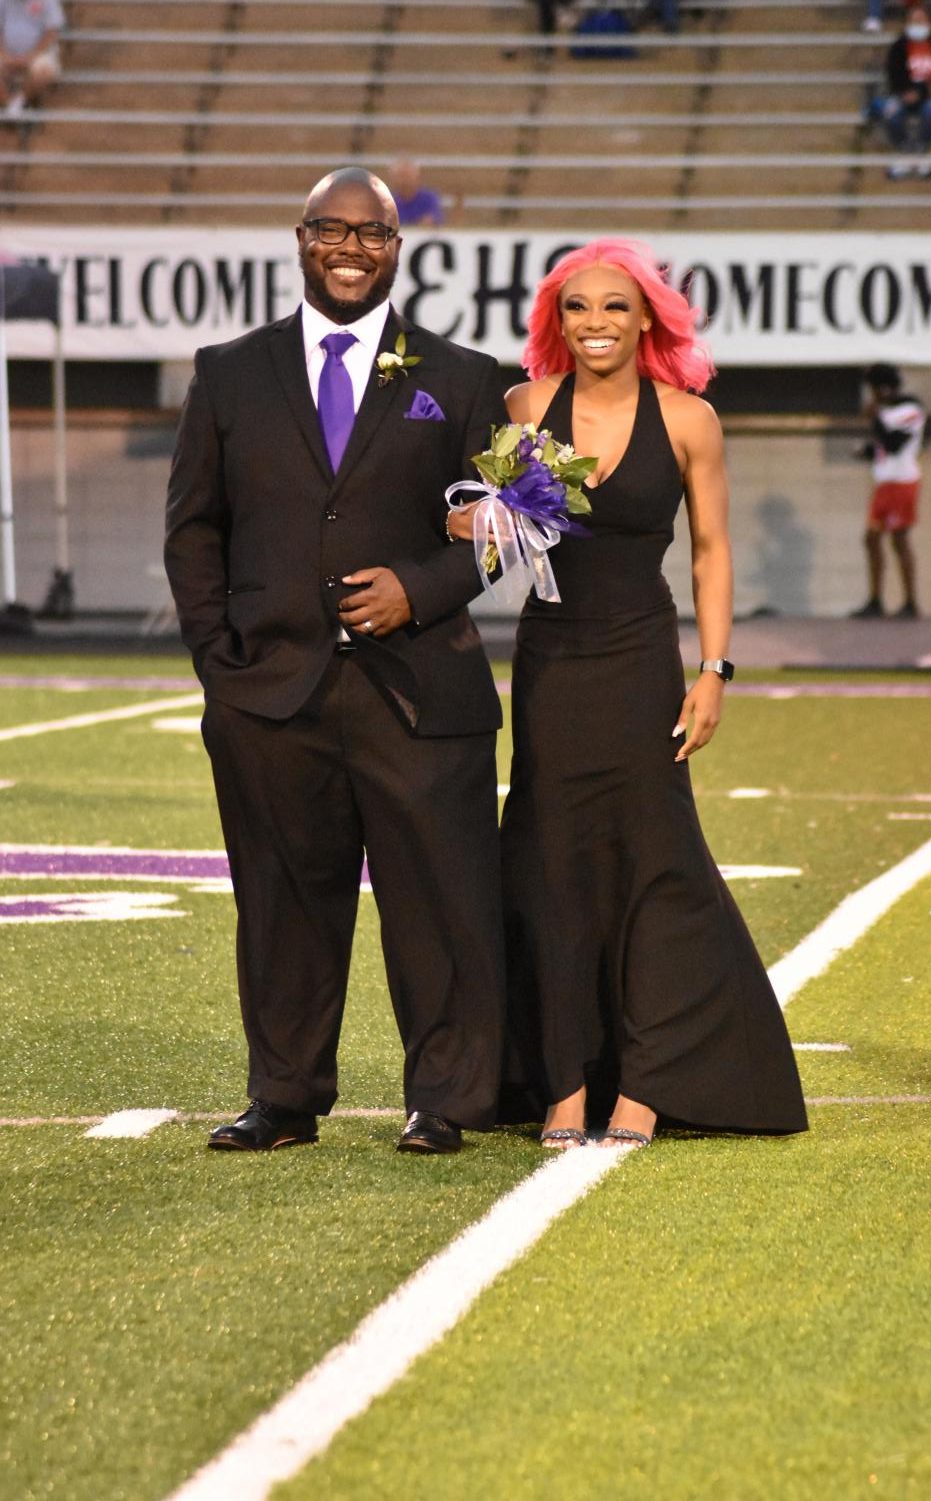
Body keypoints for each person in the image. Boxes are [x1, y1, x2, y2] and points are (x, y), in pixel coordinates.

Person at [164, 167, 507, 1156]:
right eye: (333, 230)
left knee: (438, 903)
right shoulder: (229, 370)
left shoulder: (464, 376)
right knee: (280, 902)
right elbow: (194, 529)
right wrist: (220, 666)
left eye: (374, 234)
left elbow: (502, 530)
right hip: (270, 696)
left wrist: (422, 588)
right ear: (301, 238)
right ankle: (284, 1096)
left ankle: (443, 1098)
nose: (352, 249)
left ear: (398, 250)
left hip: (420, 689)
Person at [450, 240, 808, 1149]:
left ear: (649, 316)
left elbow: (712, 551)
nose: (596, 323)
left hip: (644, 657)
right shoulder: (523, 409)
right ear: (554, 323)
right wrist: (474, 516)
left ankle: (647, 1081)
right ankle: (563, 1082)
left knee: (658, 864)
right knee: (550, 867)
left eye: (615, 306)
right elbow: (480, 535)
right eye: (577, 308)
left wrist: (715, 671)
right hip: (551, 662)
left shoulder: (690, 419)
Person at [850, 362, 925, 620]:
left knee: (899, 540)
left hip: (902, 482)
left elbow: (894, 444)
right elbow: (882, 446)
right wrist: (866, 451)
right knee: (871, 539)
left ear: (882, 388)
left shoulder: (910, 409)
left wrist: (875, 417)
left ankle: (910, 602)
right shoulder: (886, 412)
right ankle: (875, 599)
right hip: (884, 482)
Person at [880, 4, 931, 176]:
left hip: (930, 98)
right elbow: (894, 76)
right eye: (914, 20)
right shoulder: (898, 47)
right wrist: (905, 92)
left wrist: (920, 93)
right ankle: (907, 148)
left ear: (929, 22)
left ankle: (920, 149)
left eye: (921, 20)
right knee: (890, 110)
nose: (918, 24)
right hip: (903, 95)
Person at [0, 0, 64, 118]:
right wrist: (4, 55)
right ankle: (9, 106)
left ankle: (19, 103)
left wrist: (30, 57)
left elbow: (52, 33)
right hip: (6, 54)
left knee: (43, 72)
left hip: (41, 54)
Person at [387, 158, 445, 228]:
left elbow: (433, 219)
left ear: (417, 176)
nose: (404, 180)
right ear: (393, 178)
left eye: (407, 176)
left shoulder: (429, 198)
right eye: (400, 176)